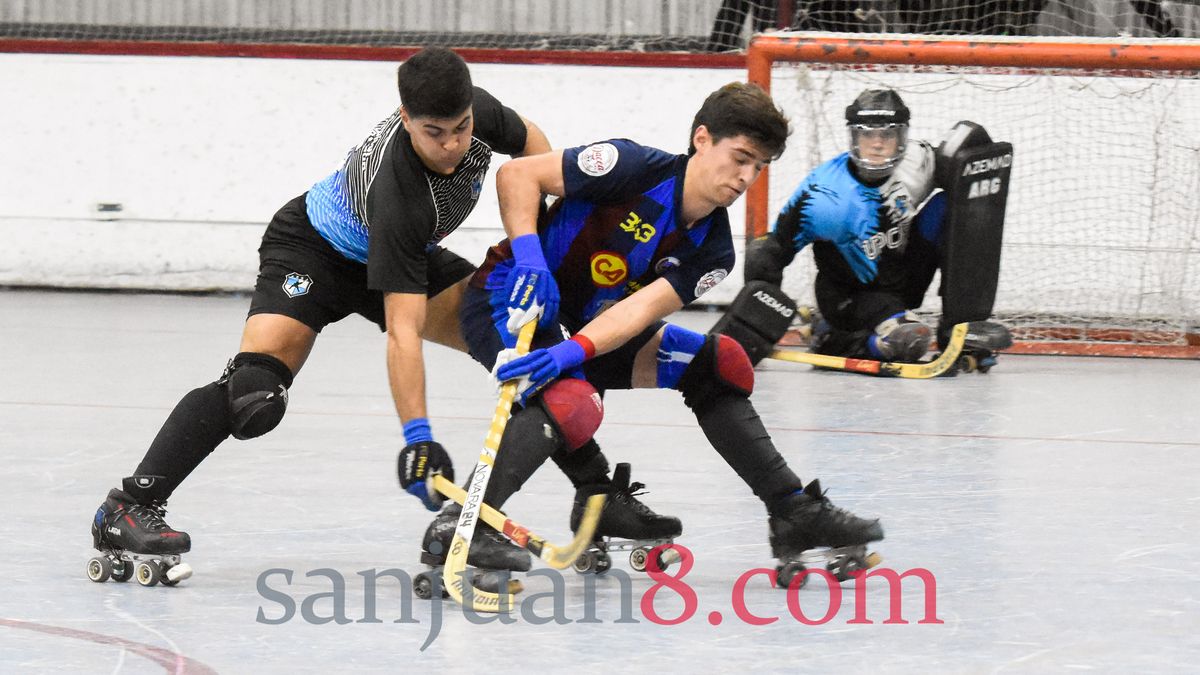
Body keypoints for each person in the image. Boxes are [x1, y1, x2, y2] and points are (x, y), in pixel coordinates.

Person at [87, 47, 555, 583]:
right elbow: (403, 331)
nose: (452, 145)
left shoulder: (474, 110)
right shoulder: (400, 191)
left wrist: (538, 245)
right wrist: (419, 437)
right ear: (406, 119)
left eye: (461, 128)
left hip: (405, 253)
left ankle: (583, 495)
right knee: (254, 393)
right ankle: (128, 505)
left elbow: (534, 148)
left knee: (529, 352)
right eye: (434, 133)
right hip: (314, 250)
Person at [418, 82, 884, 580]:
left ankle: (793, 511)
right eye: (741, 157)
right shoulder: (630, 165)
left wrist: (572, 350)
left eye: (759, 167)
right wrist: (531, 256)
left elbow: (637, 314)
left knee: (718, 364)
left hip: (589, 327)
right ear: (701, 139)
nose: (746, 177)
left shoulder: (715, 250)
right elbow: (516, 174)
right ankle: (461, 524)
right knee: (573, 400)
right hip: (512, 295)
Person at [728, 88, 1011, 369]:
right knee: (909, 340)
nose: (877, 144)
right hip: (850, 295)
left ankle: (958, 327)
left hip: (904, 276)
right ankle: (833, 337)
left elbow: (966, 165)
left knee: (950, 202)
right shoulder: (824, 194)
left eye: (886, 135)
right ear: (854, 137)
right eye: (868, 135)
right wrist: (758, 327)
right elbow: (768, 253)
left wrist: (974, 145)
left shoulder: (919, 160)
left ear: (902, 137)